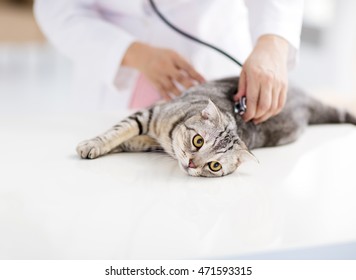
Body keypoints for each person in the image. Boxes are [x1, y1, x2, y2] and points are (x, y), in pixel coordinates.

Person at [34, 0, 304, 123]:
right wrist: (132, 53)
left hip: (213, 60)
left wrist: (273, 42)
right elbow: (56, 8)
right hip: (115, 81)